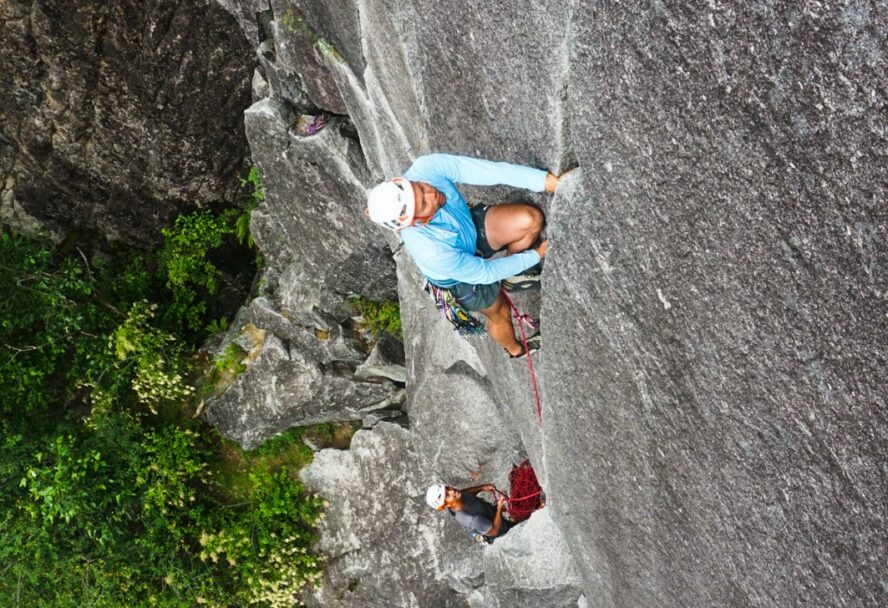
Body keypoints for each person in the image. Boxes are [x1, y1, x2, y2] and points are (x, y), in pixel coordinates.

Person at [366, 154, 564, 358]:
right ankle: (517, 350)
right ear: (415, 222)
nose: (432, 194)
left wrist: (547, 182)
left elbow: (491, 171)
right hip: (459, 279)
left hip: (467, 227)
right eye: (424, 204)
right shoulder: (432, 253)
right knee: (500, 312)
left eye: (421, 188)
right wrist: (535, 255)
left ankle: (511, 277)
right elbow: (485, 273)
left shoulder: (426, 168)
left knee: (530, 220)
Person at [425, 483, 512, 543]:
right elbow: (495, 531)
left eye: (447, 488)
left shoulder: (456, 498)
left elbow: (465, 492)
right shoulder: (472, 519)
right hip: (495, 529)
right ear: (445, 505)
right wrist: (499, 508)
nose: (452, 491)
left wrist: (483, 487)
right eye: (447, 495)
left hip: (485, 516)